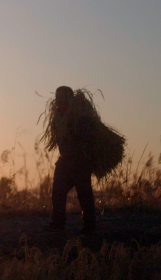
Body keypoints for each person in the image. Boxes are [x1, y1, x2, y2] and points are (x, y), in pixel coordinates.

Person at [42, 86, 96, 234]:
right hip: (65, 161)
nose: (57, 99)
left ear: (69, 98)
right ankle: (58, 223)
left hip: (79, 161)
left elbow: (86, 138)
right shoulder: (56, 117)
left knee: (84, 193)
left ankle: (89, 225)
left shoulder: (79, 116)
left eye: (61, 96)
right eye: (56, 96)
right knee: (58, 191)